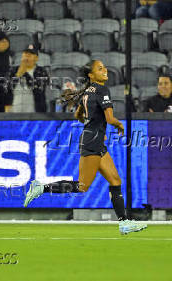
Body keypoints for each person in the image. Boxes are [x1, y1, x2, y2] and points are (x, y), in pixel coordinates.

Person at [23, 60, 147, 235]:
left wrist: (93, 125)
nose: (105, 70)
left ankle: (124, 222)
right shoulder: (102, 90)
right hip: (92, 142)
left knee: (115, 181)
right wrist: (119, 125)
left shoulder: (87, 92)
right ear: (91, 75)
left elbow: (78, 115)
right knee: (82, 186)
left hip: (93, 139)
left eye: (104, 67)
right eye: (100, 68)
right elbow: (110, 118)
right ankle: (41, 187)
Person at [4, 45, 49, 113]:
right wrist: (18, 75)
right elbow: (7, 88)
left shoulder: (42, 71)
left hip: (35, 110)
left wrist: (24, 72)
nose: (26, 57)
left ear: (36, 58)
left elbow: (38, 90)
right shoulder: (13, 70)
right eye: (25, 55)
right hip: (14, 109)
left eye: (30, 55)